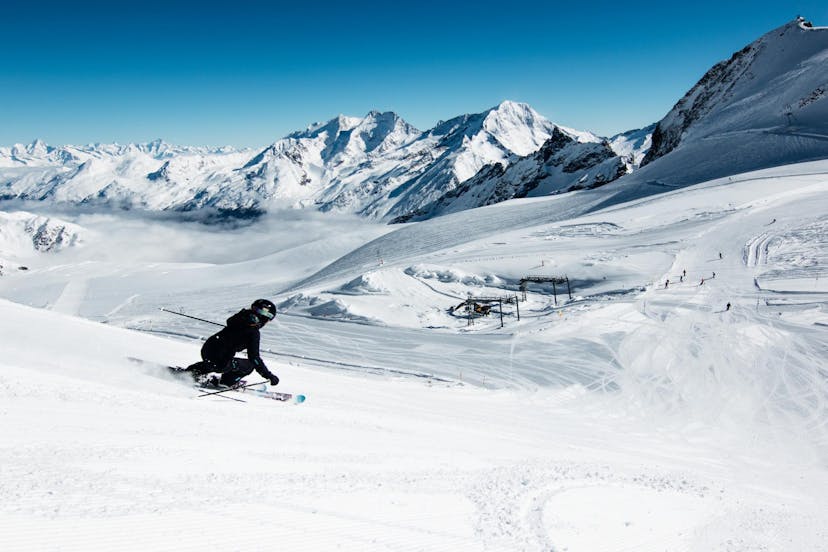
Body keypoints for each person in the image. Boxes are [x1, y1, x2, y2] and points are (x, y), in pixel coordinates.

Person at [185, 299, 280, 387]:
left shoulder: (239, 318)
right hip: (221, 362)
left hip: (207, 351)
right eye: (269, 318)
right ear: (264, 317)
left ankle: (192, 372)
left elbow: (230, 322)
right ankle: (226, 382)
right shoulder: (253, 332)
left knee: (215, 362)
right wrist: (269, 376)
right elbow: (254, 358)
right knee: (248, 366)